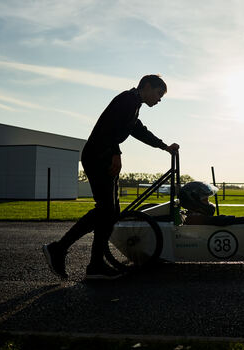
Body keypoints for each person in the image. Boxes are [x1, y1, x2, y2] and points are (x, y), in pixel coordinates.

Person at [43, 75, 179, 280]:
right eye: (159, 94)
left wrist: (164, 146)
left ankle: (95, 264)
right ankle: (60, 249)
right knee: (105, 209)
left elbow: (138, 130)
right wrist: (116, 153)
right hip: (98, 155)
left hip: (103, 156)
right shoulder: (127, 99)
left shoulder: (133, 104)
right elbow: (109, 127)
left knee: (111, 212)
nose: (159, 99)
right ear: (148, 86)